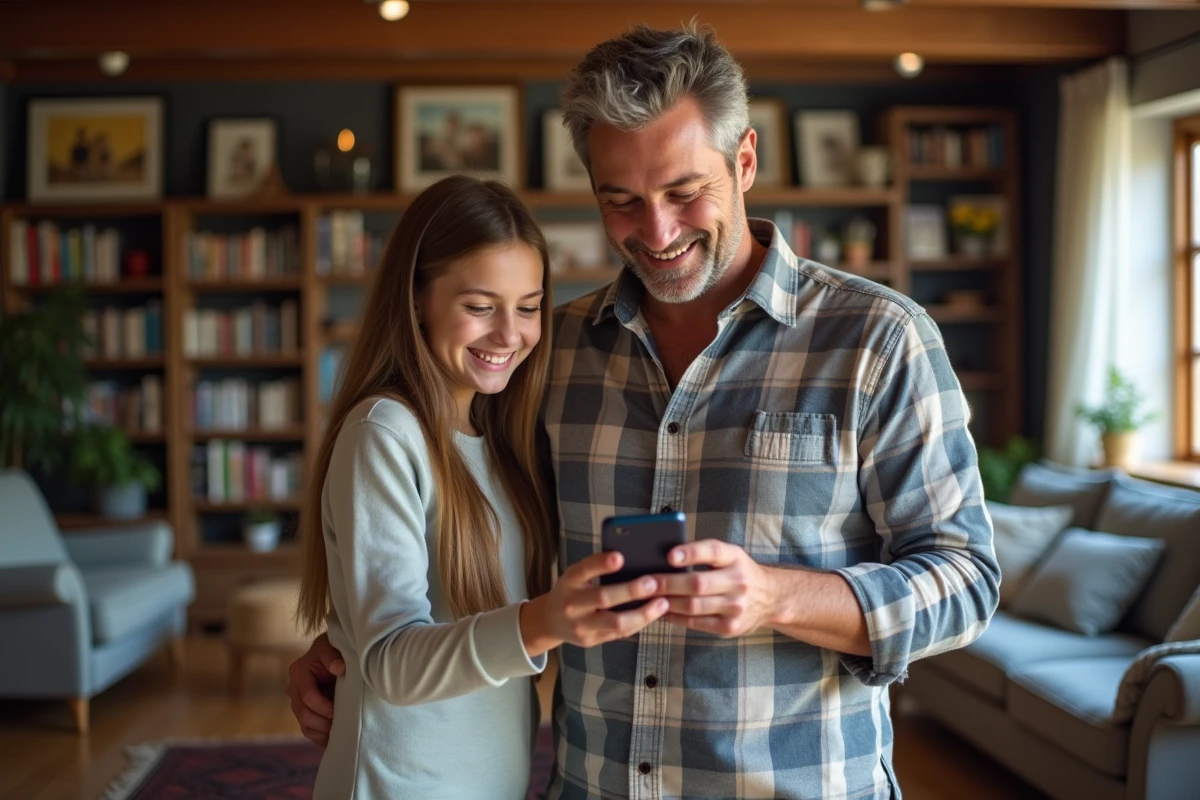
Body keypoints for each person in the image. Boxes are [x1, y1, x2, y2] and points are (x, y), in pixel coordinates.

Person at [289, 24, 999, 800]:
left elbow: (964, 582)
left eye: (684, 192)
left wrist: (775, 596)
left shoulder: (877, 340)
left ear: (746, 161)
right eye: (620, 200)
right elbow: (468, 522)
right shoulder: (550, 351)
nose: (657, 233)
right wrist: (351, 644)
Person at [295, 175, 672, 800]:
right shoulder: (384, 433)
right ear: (416, 298)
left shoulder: (503, 435)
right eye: (479, 306)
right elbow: (387, 659)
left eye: (528, 307)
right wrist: (544, 620)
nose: (509, 334)